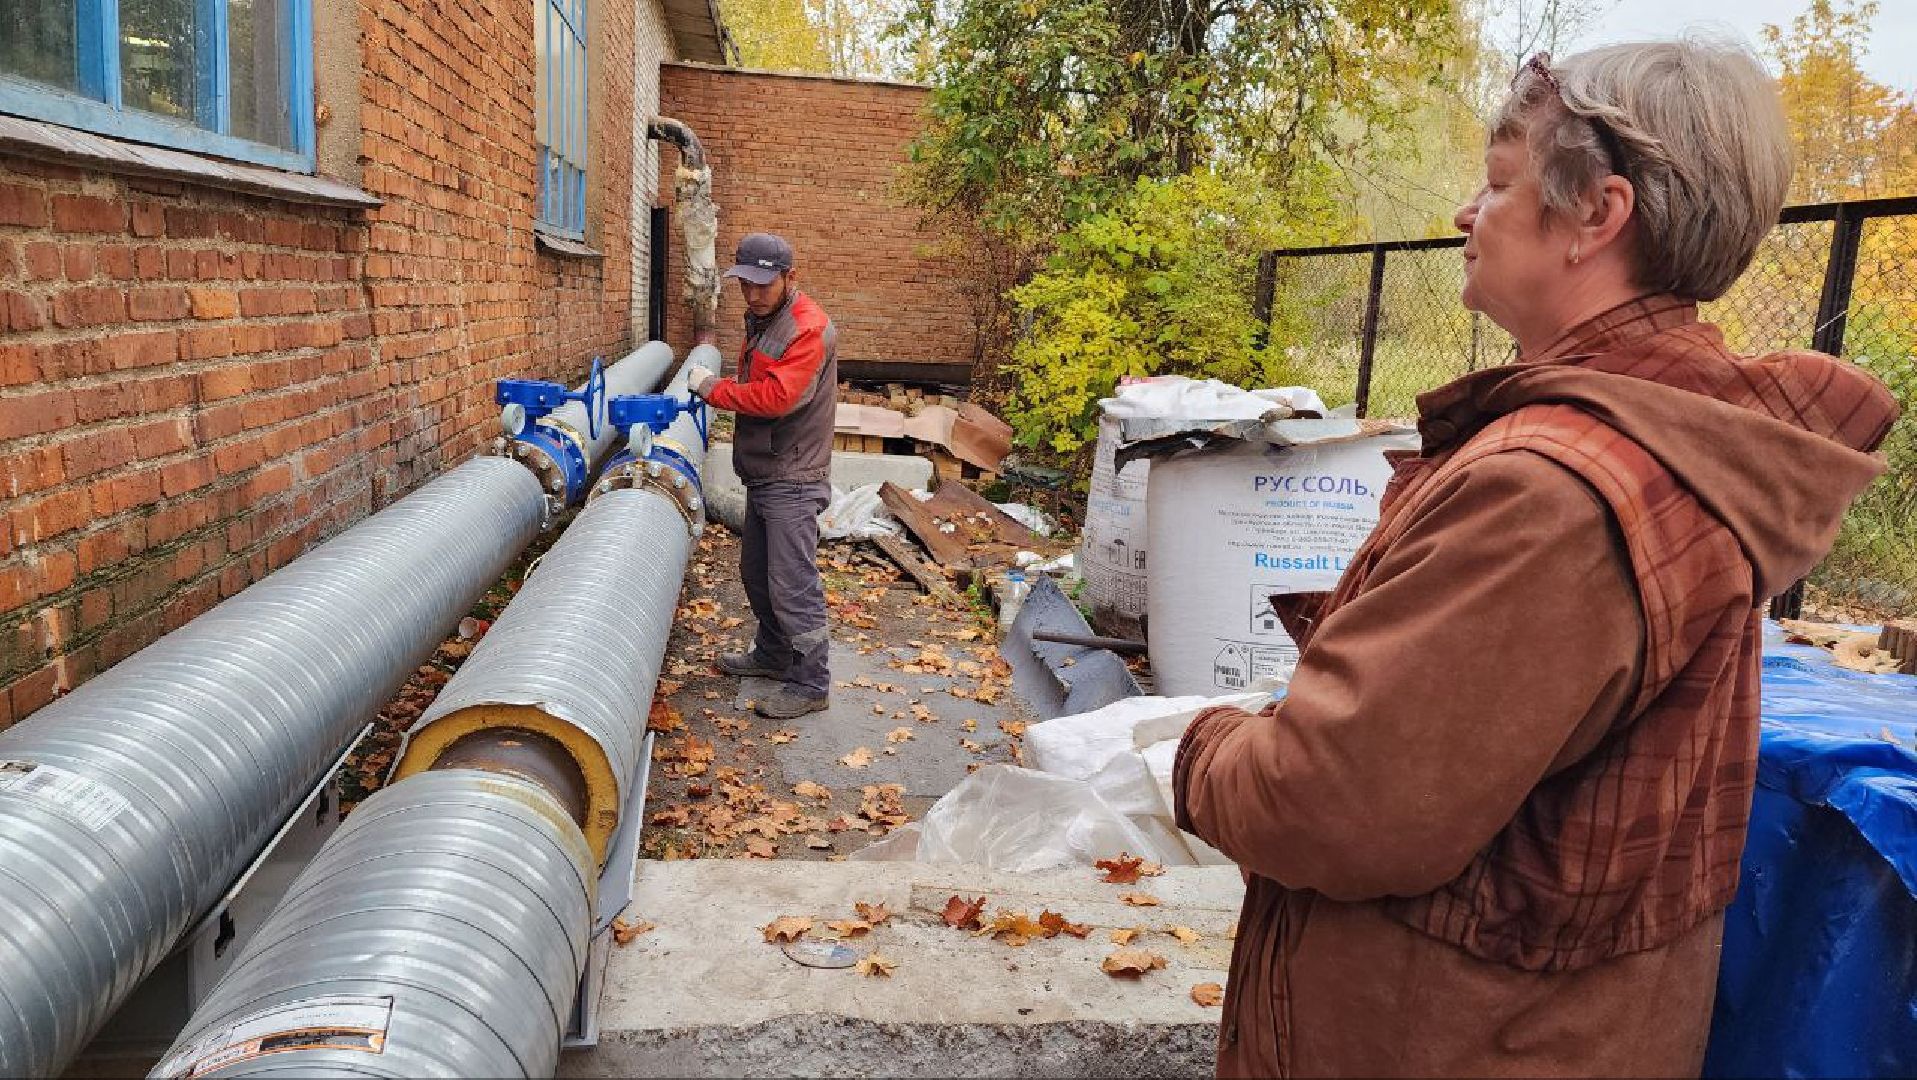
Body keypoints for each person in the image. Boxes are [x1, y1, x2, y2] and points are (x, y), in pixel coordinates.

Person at [1173, 40, 1899, 1078]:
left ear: (1597, 214)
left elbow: (1337, 808)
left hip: (1445, 1043)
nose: (1466, 212)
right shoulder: (1684, 435)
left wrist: (1195, 750)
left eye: (1499, 183)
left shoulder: (1552, 493)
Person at [686, 233, 839, 720]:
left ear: (790, 277)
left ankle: (811, 682)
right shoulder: (765, 318)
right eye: (745, 284)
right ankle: (773, 655)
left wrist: (713, 389)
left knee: (793, 584)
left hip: (794, 474)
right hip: (767, 470)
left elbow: (777, 398)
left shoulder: (807, 328)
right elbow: (759, 382)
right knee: (757, 573)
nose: (752, 294)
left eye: (763, 285)